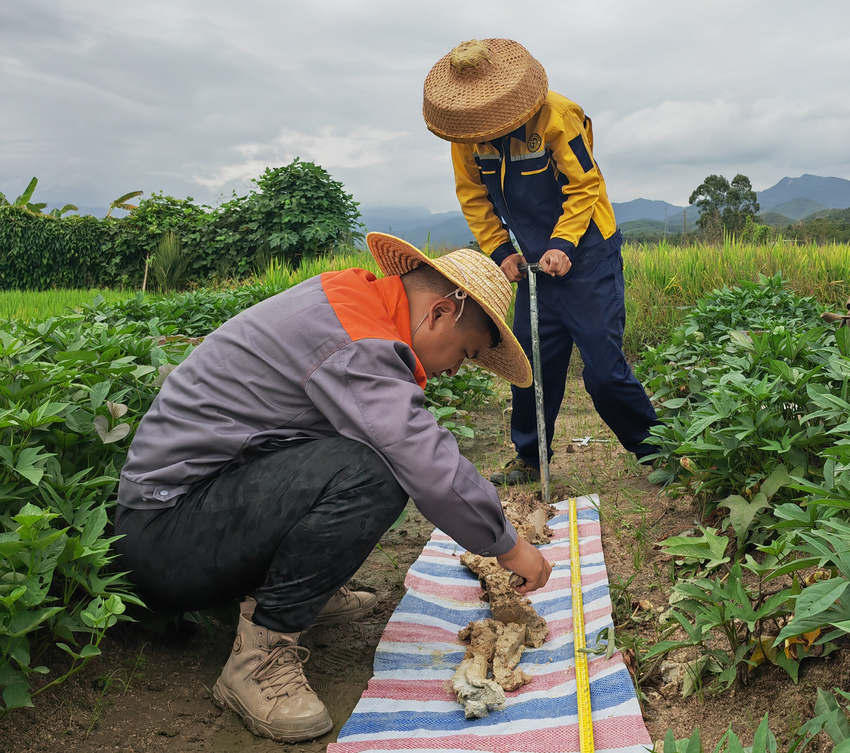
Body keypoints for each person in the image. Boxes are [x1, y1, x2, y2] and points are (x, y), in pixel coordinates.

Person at [113, 232, 552, 743]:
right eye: (465, 352)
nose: (456, 368)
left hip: (194, 511)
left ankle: (300, 592)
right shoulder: (358, 338)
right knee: (377, 470)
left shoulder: (350, 303)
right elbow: (419, 455)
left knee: (363, 454)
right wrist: (509, 546)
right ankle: (259, 659)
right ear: (439, 314)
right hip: (167, 535)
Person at [423, 38, 659, 485]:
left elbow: (584, 185)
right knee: (531, 366)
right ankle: (530, 458)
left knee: (605, 374)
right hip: (532, 264)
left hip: (587, 255)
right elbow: (473, 198)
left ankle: (657, 452)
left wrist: (564, 244)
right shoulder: (467, 136)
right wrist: (501, 252)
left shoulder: (556, 115)